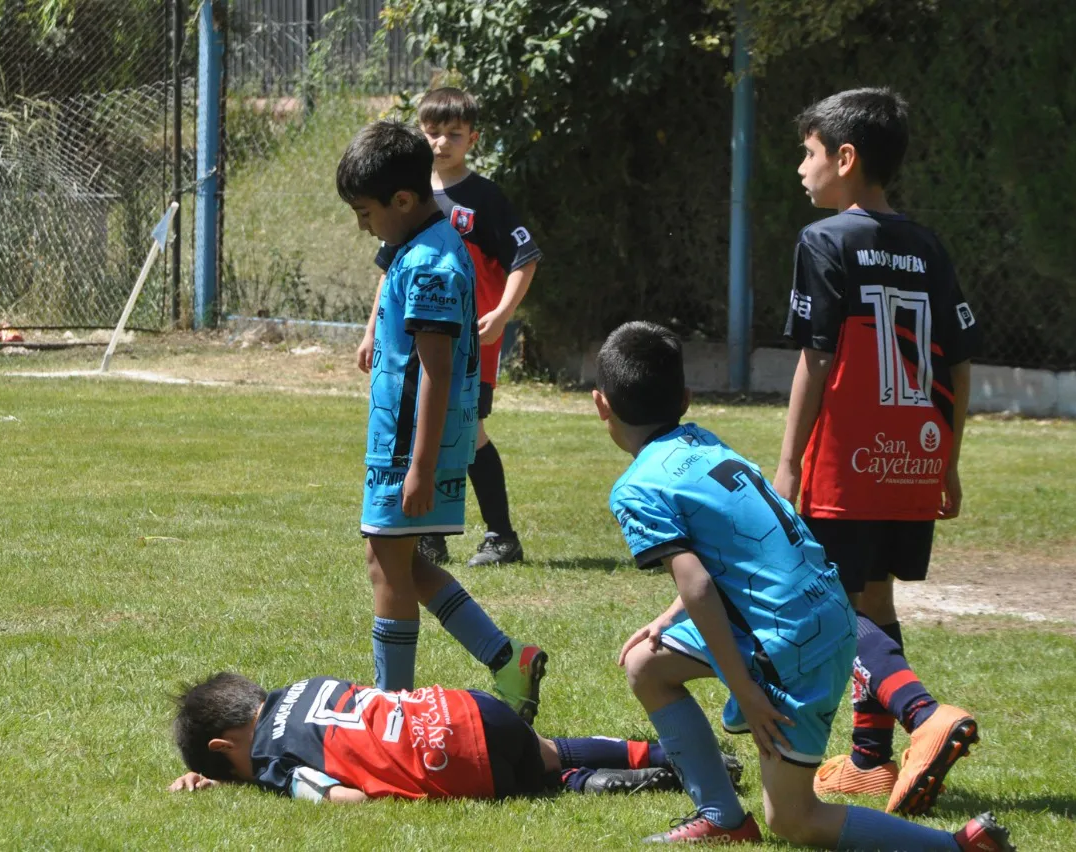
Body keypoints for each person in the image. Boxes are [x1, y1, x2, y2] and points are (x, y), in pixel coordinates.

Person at [595, 322, 1012, 849]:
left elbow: (700, 583)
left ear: (599, 404)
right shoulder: (702, 443)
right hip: (822, 612)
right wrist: (665, 620)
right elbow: (739, 556)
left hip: (789, 642)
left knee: (794, 819)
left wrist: (745, 692)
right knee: (647, 664)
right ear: (685, 397)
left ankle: (955, 846)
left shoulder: (636, 488)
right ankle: (722, 817)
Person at [772, 88, 983, 815]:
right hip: (913, 457)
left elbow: (817, 360)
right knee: (875, 597)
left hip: (847, 463)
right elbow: (956, 362)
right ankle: (869, 760)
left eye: (809, 151)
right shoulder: (928, 245)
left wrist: (789, 461)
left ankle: (925, 715)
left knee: (833, 605)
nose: (801, 167)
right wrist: (947, 461)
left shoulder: (824, 240)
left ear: (846, 157)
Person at [336, 119, 546, 721]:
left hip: (409, 447)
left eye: (366, 212)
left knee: (386, 563)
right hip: (406, 443)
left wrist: (422, 465)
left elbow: (437, 371)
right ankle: (509, 660)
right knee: (402, 562)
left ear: (403, 200)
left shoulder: (429, 262)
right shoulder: (420, 245)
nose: (364, 226)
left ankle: (391, 711)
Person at [358, 87, 542, 569]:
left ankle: (502, 534)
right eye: (432, 132)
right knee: (432, 426)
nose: (441, 143)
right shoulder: (411, 199)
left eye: (453, 134)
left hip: (468, 343)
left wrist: (501, 314)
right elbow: (388, 269)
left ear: (472, 139)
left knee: (468, 431)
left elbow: (525, 258)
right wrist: (371, 330)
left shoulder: (485, 198)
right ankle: (431, 536)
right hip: (412, 341)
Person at [168, 672, 745, 800]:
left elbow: (343, 798)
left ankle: (600, 782)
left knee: (535, 784)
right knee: (544, 750)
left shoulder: (271, 758)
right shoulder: (302, 686)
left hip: (452, 756)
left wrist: (265, 784)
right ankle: (676, 754)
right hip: (469, 707)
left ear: (227, 746)